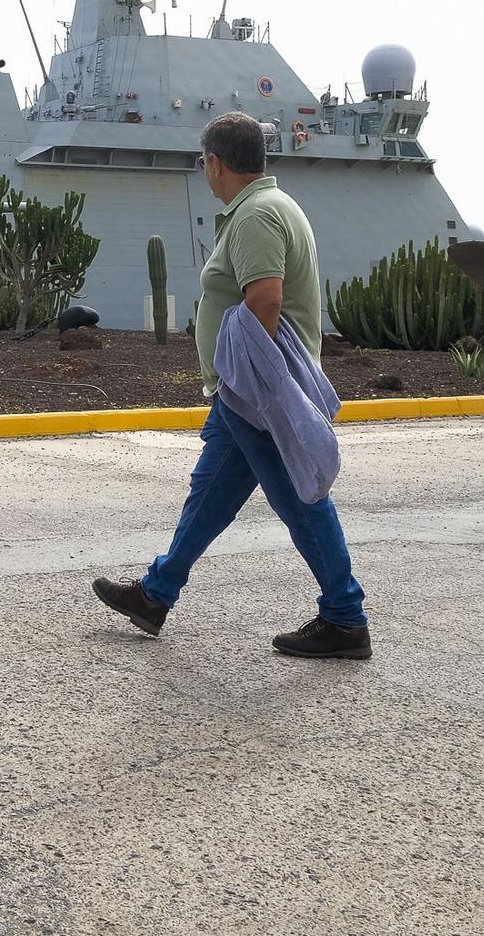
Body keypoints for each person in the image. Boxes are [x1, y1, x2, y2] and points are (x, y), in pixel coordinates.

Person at [90, 111, 372, 660]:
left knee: (299, 499)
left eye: (204, 164)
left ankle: (345, 617)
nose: (205, 173)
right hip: (240, 391)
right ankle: (156, 593)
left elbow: (264, 299)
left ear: (215, 162)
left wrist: (255, 386)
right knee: (210, 494)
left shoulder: (257, 216)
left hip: (257, 391)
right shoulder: (271, 206)